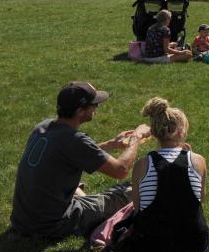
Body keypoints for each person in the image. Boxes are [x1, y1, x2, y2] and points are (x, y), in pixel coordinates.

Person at [10, 81, 151, 238]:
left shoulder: (44, 126)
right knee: (128, 191)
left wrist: (112, 144)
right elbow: (121, 170)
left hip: (23, 219)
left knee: (76, 186)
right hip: (51, 224)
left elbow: (76, 153)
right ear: (80, 111)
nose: (96, 108)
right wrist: (136, 138)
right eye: (94, 105)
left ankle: (88, 205)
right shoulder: (74, 140)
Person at [125, 97, 209, 252]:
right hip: (193, 243)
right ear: (181, 132)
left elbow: (137, 208)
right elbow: (201, 199)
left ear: (154, 132)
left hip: (151, 246)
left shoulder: (142, 165)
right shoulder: (198, 161)